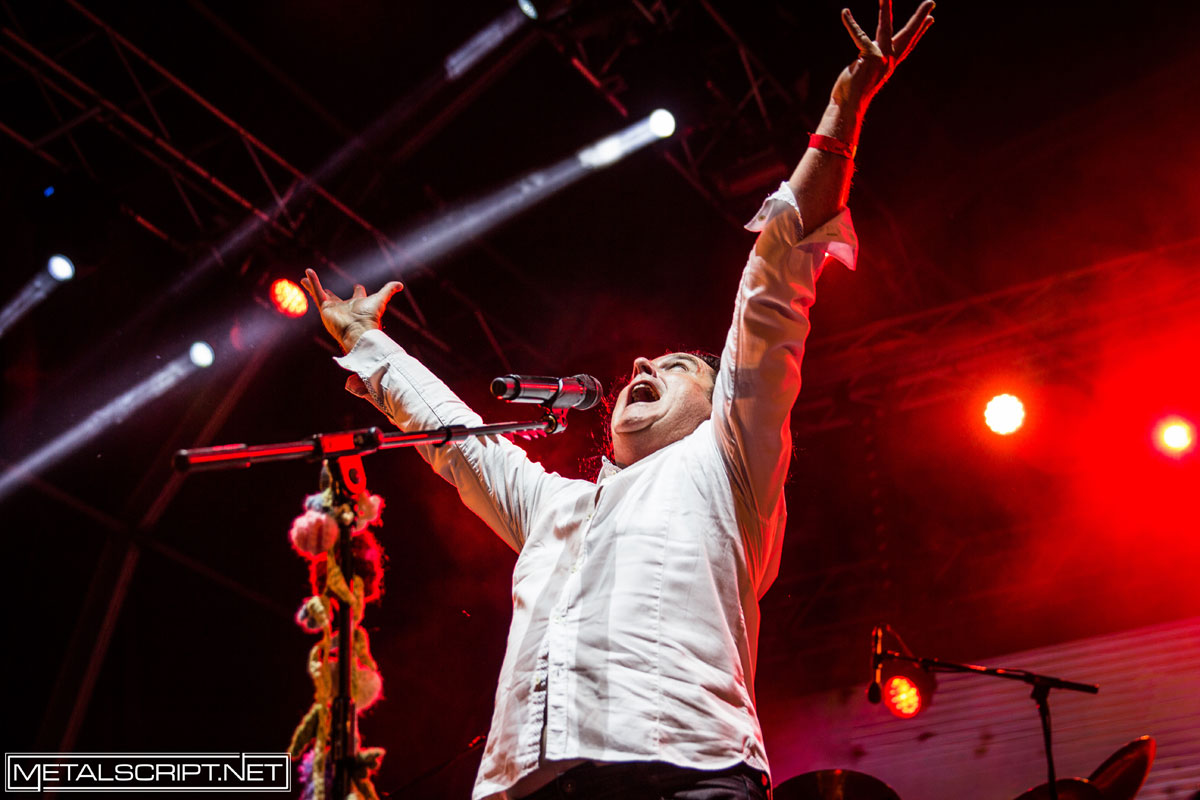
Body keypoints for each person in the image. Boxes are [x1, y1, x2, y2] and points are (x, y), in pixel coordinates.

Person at [302, 3, 934, 797]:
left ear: (721, 405)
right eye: (648, 359)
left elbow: (773, 287)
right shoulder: (553, 507)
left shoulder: (728, 467)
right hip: (529, 785)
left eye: (676, 364)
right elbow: (457, 439)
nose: (642, 362)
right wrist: (368, 344)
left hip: (685, 772)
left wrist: (843, 110)